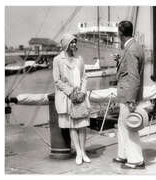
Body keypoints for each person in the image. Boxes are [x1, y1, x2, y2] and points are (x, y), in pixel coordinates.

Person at [53, 34, 91, 165]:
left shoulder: (79, 59)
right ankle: (78, 152)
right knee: (73, 126)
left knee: (83, 125)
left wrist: (82, 91)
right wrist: (70, 92)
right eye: (72, 42)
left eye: (75, 42)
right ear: (66, 44)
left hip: (80, 96)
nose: (75, 45)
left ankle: (84, 151)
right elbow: (57, 80)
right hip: (67, 97)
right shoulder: (57, 60)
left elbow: (85, 77)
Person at [112, 21, 145, 169]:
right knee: (122, 125)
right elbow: (130, 70)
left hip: (127, 96)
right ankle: (123, 155)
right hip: (127, 94)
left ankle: (136, 160)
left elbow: (133, 77)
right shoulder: (135, 47)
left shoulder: (130, 50)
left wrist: (131, 100)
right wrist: (119, 61)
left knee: (130, 126)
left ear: (120, 33)